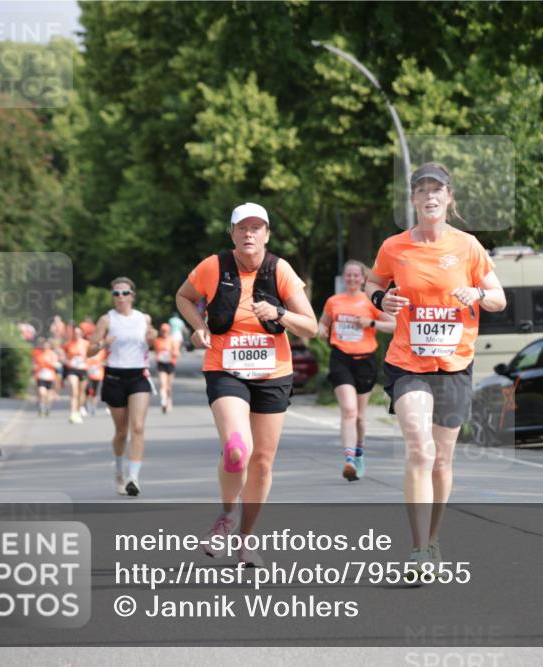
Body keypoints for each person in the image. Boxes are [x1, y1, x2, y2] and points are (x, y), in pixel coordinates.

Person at [364, 162, 506, 575]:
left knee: (442, 460)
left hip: (454, 363)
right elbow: (375, 284)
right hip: (408, 362)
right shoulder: (394, 247)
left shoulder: (468, 247)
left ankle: (434, 537)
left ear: (449, 198)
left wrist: (476, 292)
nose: (429, 196)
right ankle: (418, 549)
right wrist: (380, 301)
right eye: (422, 190)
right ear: (412, 199)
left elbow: (499, 298)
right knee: (419, 448)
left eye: (437, 190)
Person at [176, 202, 317, 567]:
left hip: (273, 372)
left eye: (257, 228)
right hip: (225, 368)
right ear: (233, 233)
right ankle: (226, 517)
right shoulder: (213, 266)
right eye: (243, 228)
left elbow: (311, 326)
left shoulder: (279, 270)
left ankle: (247, 539)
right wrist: (200, 327)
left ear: (267, 234)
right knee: (238, 450)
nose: (249, 234)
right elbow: (184, 297)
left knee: (263, 463)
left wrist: (280, 314)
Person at [317, 260, 395, 481]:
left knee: (360, 416)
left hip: (365, 361)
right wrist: (321, 329)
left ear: (363, 278)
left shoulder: (370, 301)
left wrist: (370, 323)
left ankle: (359, 452)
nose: (352, 279)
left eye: (356, 276)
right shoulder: (334, 301)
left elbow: (395, 325)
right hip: (340, 358)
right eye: (348, 276)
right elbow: (323, 323)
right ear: (344, 278)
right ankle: (349, 459)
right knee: (349, 411)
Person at [88, 277, 158, 497]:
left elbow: (150, 342)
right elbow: (89, 350)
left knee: (137, 427)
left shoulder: (143, 318)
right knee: (121, 431)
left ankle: (133, 477)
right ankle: (119, 471)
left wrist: (152, 337)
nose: (120, 297)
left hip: (138, 375)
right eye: (116, 294)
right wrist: (103, 344)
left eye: (124, 293)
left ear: (132, 296)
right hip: (115, 377)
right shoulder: (106, 320)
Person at [61, 326, 90, 424]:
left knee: (82, 392)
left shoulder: (86, 344)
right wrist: (67, 362)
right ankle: (73, 412)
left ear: (82, 333)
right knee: (74, 390)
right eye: (75, 333)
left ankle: (78, 410)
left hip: (83, 370)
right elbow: (61, 356)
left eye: (78, 332)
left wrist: (88, 362)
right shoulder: (68, 344)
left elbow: (92, 355)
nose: (76, 334)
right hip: (72, 370)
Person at [153, 323, 181, 413]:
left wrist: (171, 352)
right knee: (163, 385)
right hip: (161, 364)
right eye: (163, 331)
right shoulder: (157, 340)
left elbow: (177, 353)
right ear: (161, 331)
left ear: (169, 331)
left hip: (170, 364)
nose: (164, 332)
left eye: (166, 331)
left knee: (169, 387)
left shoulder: (173, 340)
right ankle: (163, 402)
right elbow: (156, 352)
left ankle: (169, 400)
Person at [31, 338, 60, 417]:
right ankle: (41, 406)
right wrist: (35, 367)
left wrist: (49, 364)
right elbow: (33, 363)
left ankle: (47, 406)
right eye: (43, 345)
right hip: (40, 376)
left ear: (49, 346)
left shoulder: (52, 354)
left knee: (48, 394)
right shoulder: (37, 353)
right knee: (42, 392)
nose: (45, 346)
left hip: (50, 377)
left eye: (46, 345)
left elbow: (56, 365)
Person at [84, 349, 106, 417]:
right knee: (89, 392)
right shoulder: (88, 351)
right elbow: (84, 361)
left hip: (99, 376)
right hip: (88, 376)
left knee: (96, 393)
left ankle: (94, 407)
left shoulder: (102, 352)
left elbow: (106, 361)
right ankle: (88, 404)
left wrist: (100, 364)